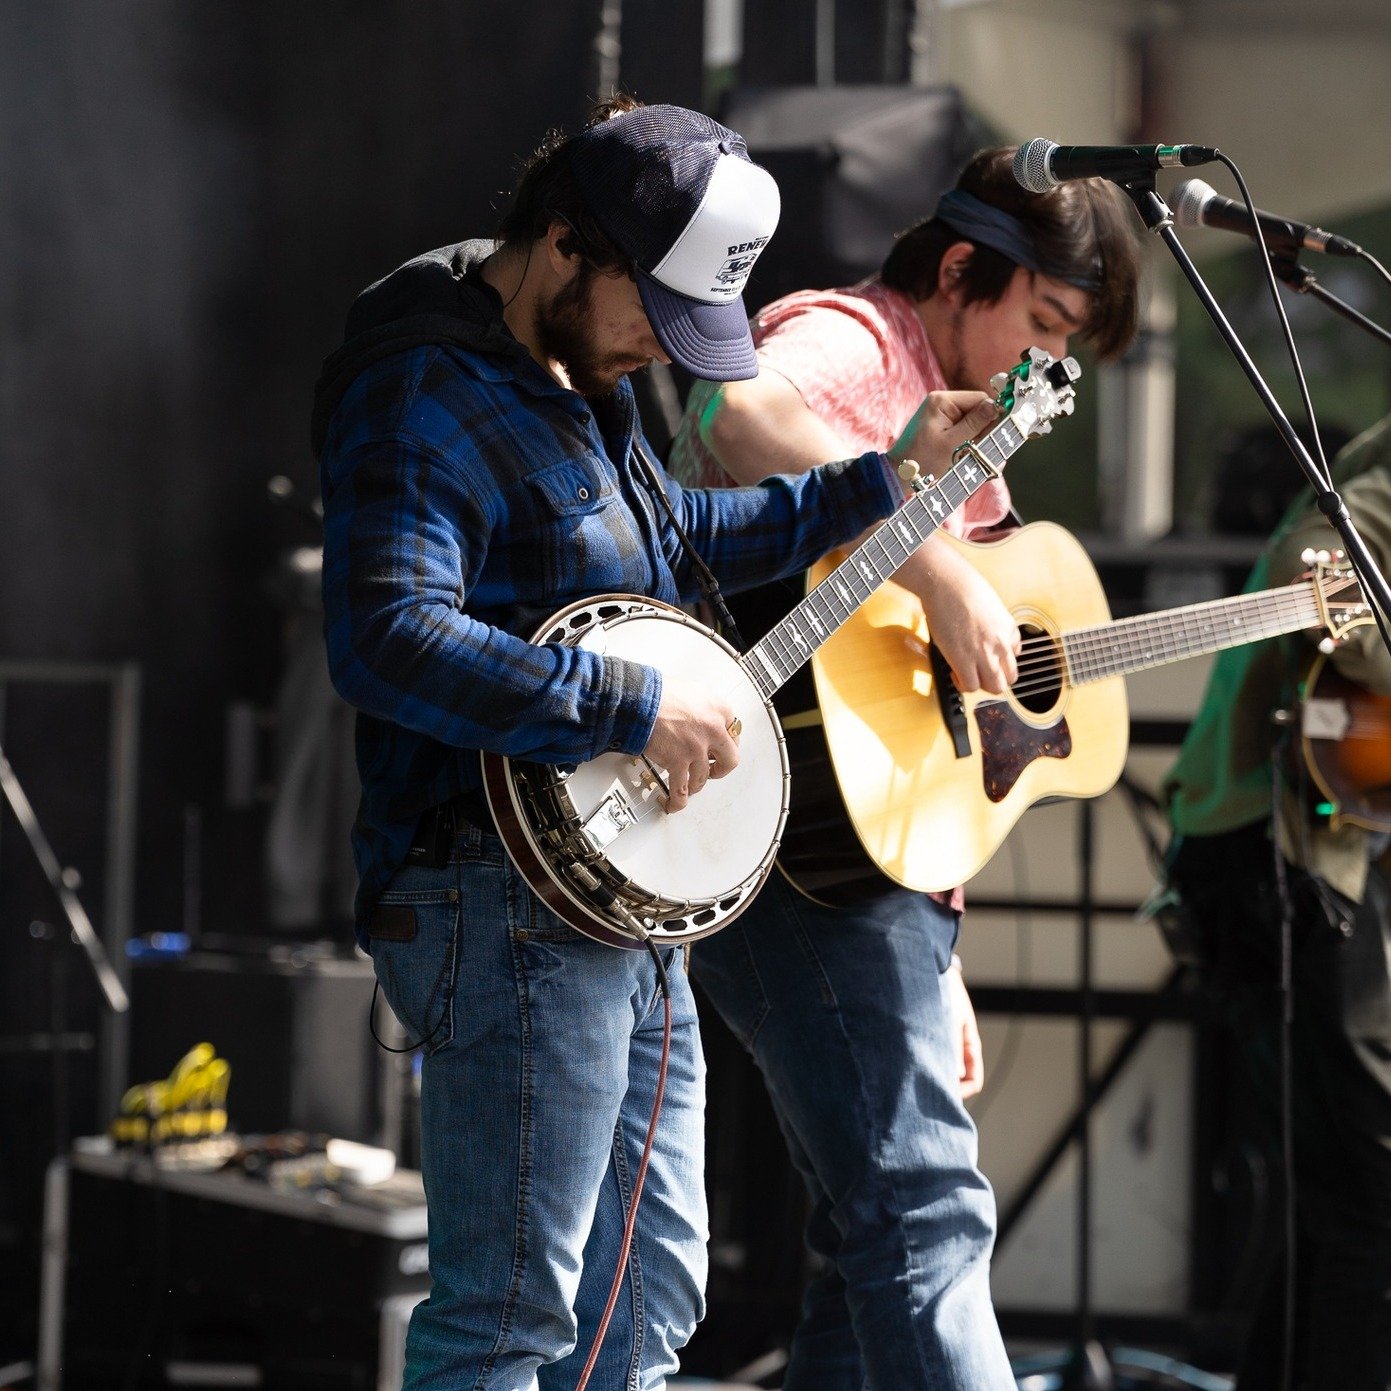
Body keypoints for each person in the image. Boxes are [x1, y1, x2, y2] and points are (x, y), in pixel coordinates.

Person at [311, 97, 997, 1391]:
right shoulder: (422, 386)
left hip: (618, 898)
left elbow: (666, 540)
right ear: (566, 241)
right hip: (493, 900)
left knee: (646, 1291)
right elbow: (384, 636)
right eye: (653, 309)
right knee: (510, 1317)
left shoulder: (584, 370)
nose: (659, 350)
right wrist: (626, 706)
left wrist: (877, 484)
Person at [667, 146, 1144, 1389]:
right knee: (925, 1216)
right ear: (956, 268)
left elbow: (916, 728)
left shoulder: (958, 398)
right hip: (780, 844)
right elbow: (735, 408)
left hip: (869, 870)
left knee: (865, 1243)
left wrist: (940, 944)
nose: (1036, 361)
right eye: (1035, 321)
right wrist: (935, 570)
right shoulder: (855, 340)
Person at [1163, 414, 1391, 1391]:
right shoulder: (1374, 483)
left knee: (1334, 1203)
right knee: (1372, 1198)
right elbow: (1325, 582)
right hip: (1280, 854)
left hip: (1271, 851)